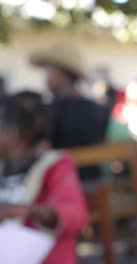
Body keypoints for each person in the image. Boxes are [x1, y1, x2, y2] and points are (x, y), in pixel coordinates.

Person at [0, 93, 88, 264]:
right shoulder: (4, 166)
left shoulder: (55, 164)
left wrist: (20, 210)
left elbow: (75, 214)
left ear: (13, 130)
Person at [30, 44, 109, 181]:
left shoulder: (48, 111)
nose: (46, 77)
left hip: (60, 188)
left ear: (64, 74)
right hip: (96, 187)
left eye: (49, 70)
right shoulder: (100, 110)